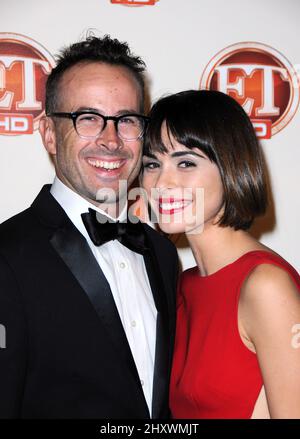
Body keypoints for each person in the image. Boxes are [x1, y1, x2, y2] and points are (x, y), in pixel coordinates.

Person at [0, 35, 178, 419]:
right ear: (49, 133)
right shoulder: (6, 256)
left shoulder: (161, 253)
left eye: (127, 120)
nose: (111, 140)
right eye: (88, 119)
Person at [141, 89, 300, 419]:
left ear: (230, 167)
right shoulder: (182, 283)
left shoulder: (266, 287)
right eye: (152, 163)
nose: (161, 183)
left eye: (186, 162)